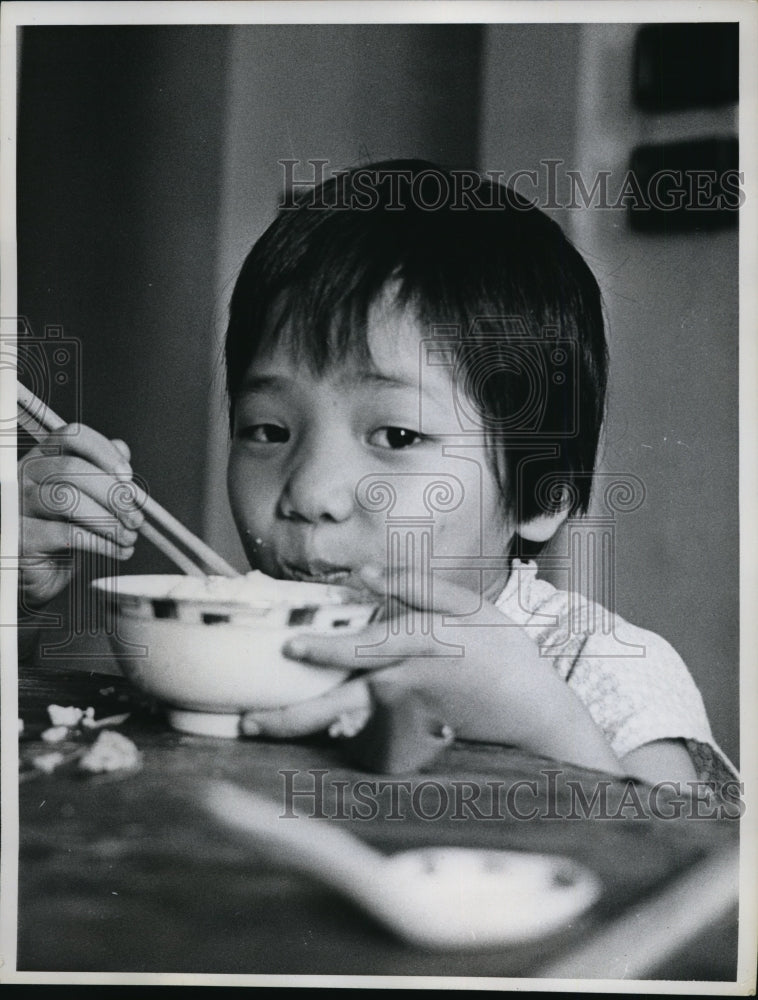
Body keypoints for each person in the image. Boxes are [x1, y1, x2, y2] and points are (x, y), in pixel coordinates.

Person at [18, 159, 736, 789]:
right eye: (269, 430)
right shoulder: (216, 641)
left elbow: (698, 890)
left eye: (396, 434)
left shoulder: (598, 663)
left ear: (543, 490)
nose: (309, 493)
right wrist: (14, 595)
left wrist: (547, 726)